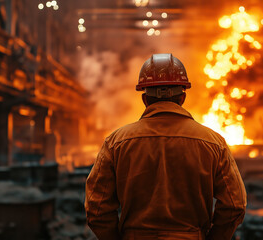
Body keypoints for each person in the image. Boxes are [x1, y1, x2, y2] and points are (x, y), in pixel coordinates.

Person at [85, 53, 246, 240]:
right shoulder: (213, 143)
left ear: (145, 99)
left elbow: (96, 209)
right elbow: (235, 205)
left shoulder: (116, 143)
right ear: (182, 98)